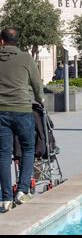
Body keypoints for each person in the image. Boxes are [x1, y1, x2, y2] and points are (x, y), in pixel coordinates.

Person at [0, 29, 45, 212]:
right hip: (22, 110)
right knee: (28, 149)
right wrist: (41, 100)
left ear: (2, 41)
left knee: (3, 154)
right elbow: (36, 85)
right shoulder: (26, 58)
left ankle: (5, 199)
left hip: (0, 111)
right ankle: (22, 191)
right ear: (16, 41)